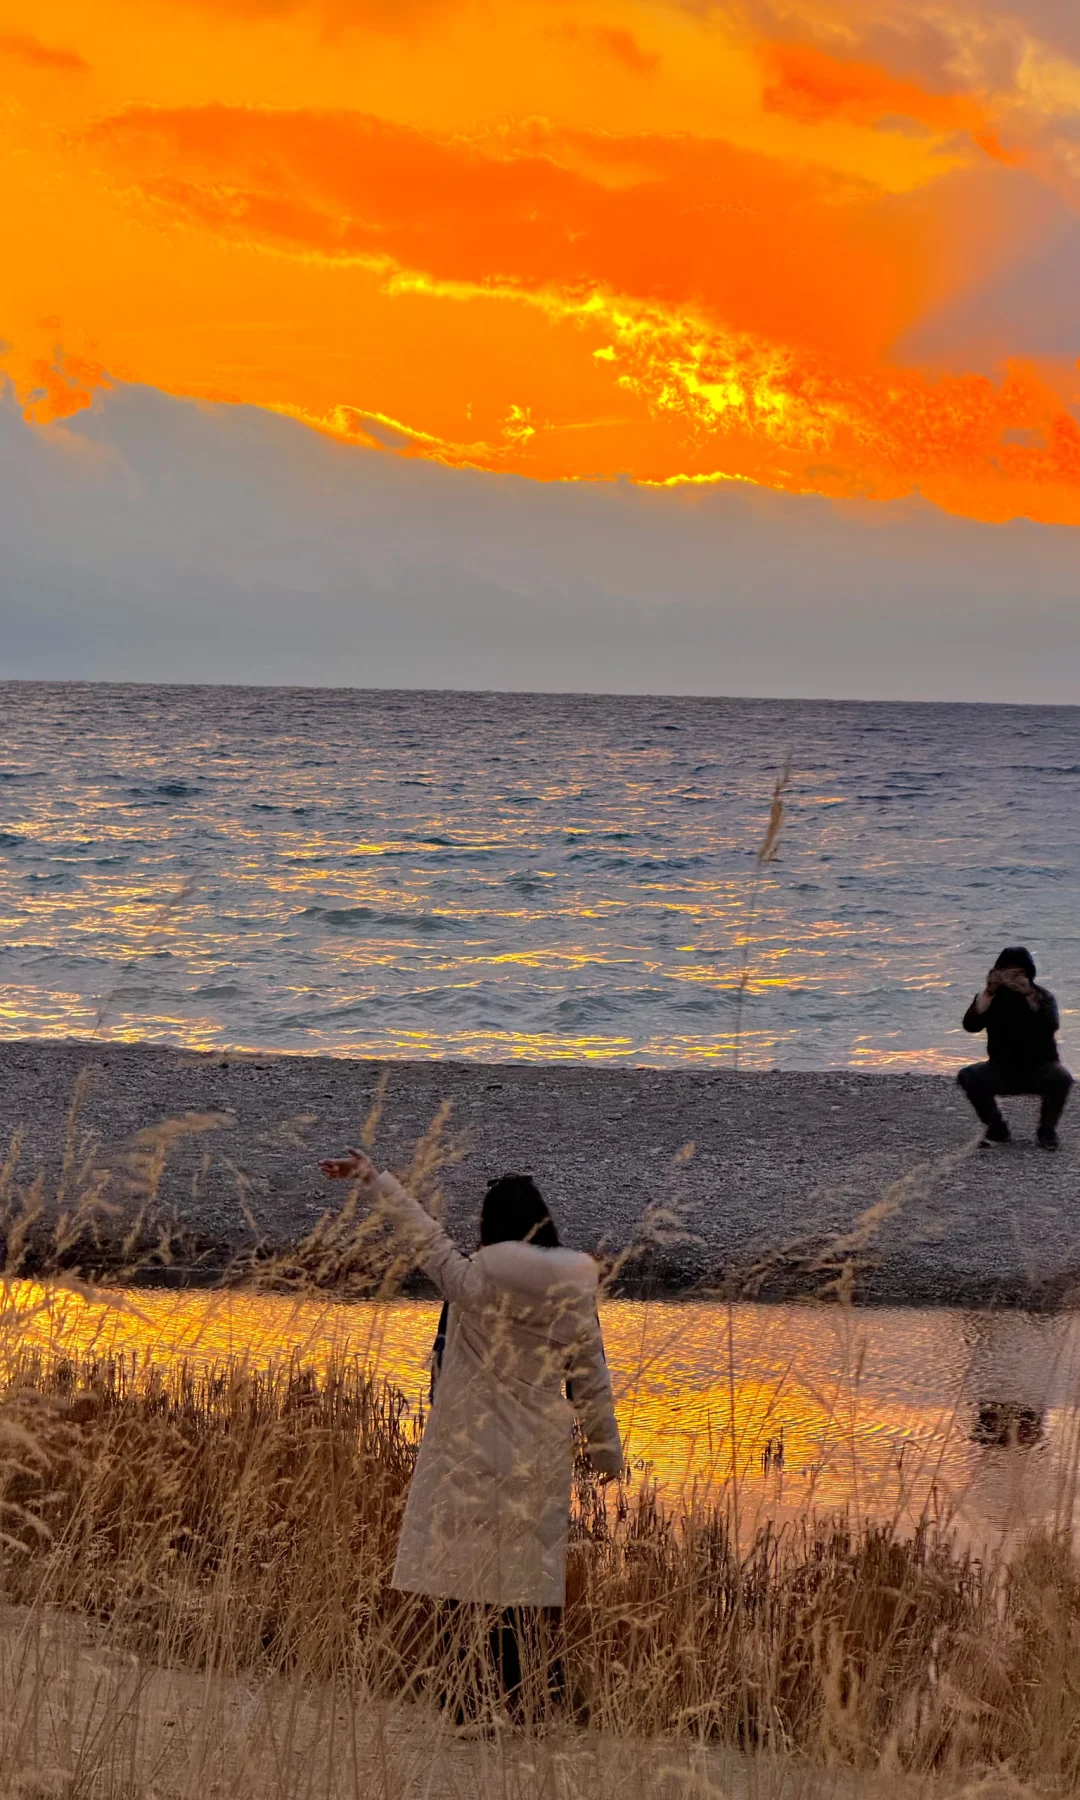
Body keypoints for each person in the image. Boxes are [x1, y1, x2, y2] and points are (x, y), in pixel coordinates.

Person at [317, 1148, 622, 1728]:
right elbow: (592, 1379)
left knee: (464, 1583)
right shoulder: (572, 1293)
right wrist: (605, 1455)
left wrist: (373, 1177)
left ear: (489, 1228)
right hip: (537, 1455)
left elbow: (423, 1236)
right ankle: (534, 1704)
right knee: (527, 1586)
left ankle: (468, 1705)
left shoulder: (470, 1282)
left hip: (470, 1451)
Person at [957, 947, 1072, 1150]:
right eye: (1006, 971)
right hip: (1001, 1069)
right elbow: (970, 1025)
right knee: (968, 1076)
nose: (1012, 978)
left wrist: (1028, 994)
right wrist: (988, 992)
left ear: (1029, 973)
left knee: (1061, 1077)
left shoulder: (1042, 996)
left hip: (1040, 1068)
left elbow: (1051, 1025)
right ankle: (997, 1128)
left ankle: (1047, 1132)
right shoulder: (993, 999)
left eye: (1017, 972)